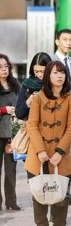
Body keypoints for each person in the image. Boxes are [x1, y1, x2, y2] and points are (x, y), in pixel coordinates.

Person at [25, 60, 71, 225]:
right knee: (39, 199)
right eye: (55, 72)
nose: (59, 76)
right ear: (48, 75)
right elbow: (32, 126)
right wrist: (41, 151)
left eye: (62, 72)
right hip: (37, 157)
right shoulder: (38, 97)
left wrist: (60, 151)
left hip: (61, 157)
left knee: (60, 201)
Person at [51, 28, 71, 205]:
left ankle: (67, 192)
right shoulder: (50, 60)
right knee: (53, 153)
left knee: (69, 156)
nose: (68, 43)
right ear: (57, 41)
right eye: (65, 39)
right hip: (54, 117)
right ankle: (53, 190)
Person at [0, 54, 20, 211]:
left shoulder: (15, 85)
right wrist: (3, 110)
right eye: (0, 67)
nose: (4, 69)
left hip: (12, 133)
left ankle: (11, 201)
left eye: (6, 66)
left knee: (11, 170)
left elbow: (22, 106)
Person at [15, 53, 52, 120]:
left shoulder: (55, 83)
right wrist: (28, 102)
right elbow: (18, 113)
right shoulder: (27, 84)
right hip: (33, 126)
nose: (40, 75)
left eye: (42, 71)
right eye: (36, 71)